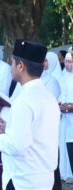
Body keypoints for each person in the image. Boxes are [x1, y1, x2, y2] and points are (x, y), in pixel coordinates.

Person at [0, 40, 60, 190]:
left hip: (23, 180)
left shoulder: (23, 100)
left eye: (12, 63)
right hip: (44, 178)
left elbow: (17, 147)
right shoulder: (48, 96)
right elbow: (36, 133)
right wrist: (8, 128)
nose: (10, 67)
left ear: (21, 66)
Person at [59, 52, 73, 183]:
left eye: (70, 61)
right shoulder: (63, 77)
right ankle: (66, 173)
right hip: (65, 120)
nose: (68, 64)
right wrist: (60, 105)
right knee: (67, 148)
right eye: (67, 61)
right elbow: (59, 96)